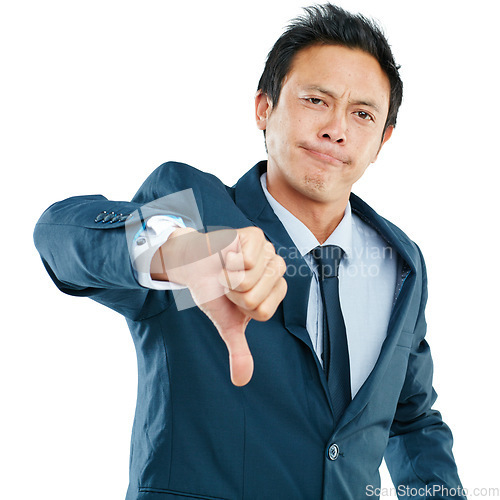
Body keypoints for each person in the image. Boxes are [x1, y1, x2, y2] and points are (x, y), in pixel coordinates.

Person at [34, 4, 465, 499]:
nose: (336, 129)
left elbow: (410, 419)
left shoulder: (401, 260)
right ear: (264, 107)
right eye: (316, 100)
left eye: (362, 114)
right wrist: (175, 251)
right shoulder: (196, 213)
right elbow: (60, 237)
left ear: (383, 139)